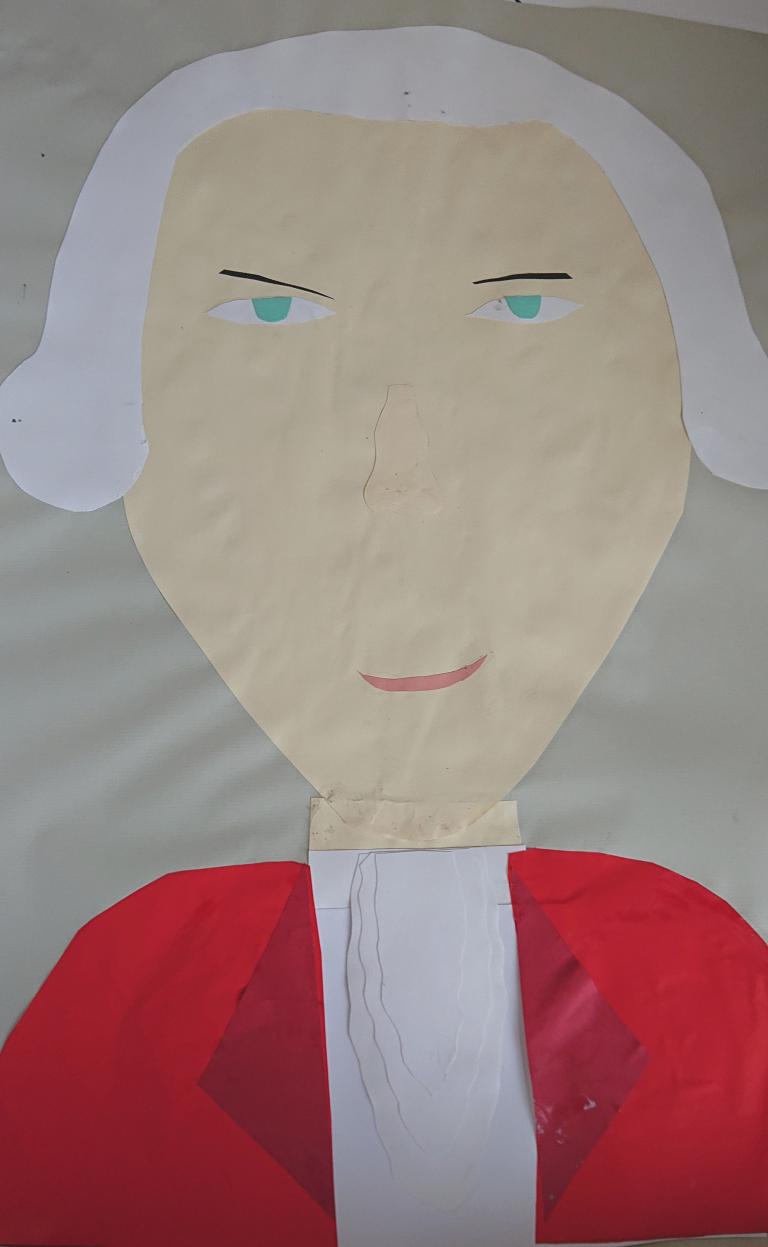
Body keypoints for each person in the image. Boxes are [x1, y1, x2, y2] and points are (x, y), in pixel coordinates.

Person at [0, 26, 766, 1247]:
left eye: (524, 309)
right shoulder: (131, 989)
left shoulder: (696, 964)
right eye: (266, 313)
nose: (398, 473)